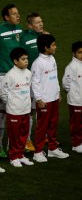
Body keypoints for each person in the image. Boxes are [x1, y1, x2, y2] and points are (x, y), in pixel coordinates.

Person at [0, 4, 23, 158]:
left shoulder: (19, 30)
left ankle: (15, 145)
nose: (18, 16)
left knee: (16, 111)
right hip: (2, 76)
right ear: (6, 17)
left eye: (18, 13)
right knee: (1, 113)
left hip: (17, 75)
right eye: (14, 14)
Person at [31, 34, 69, 162]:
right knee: (42, 126)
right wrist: (39, 99)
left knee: (53, 124)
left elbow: (55, 77)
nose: (55, 47)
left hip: (53, 98)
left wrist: (58, 92)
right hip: (44, 100)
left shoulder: (52, 59)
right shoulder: (37, 63)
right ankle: (38, 152)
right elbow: (35, 83)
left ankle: (52, 149)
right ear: (46, 47)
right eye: (53, 45)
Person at [0, 48, 34, 167]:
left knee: (24, 134)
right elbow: (3, 93)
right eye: (23, 59)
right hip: (14, 111)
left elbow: (29, 89)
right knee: (14, 135)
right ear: (15, 61)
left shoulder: (29, 73)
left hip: (26, 109)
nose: (26, 61)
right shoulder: (10, 75)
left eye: (27, 59)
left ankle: (20, 155)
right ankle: (13, 157)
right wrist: (11, 103)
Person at [20, 13, 48, 152]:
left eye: (41, 21)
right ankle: (27, 140)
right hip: (30, 79)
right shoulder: (24, 37)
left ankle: (43, 134)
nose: (40, 24)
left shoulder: (44, 37)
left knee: (43, 107)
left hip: (44, 79)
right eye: (37, 22)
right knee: (30, 110)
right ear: (30, 25)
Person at [62, 41, 82, 153]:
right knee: (76, 124)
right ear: (74, 53)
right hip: (76, 101)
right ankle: (76, 144)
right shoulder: (71, 67)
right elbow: (66, 84)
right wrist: (74, 94)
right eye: (80, 52)